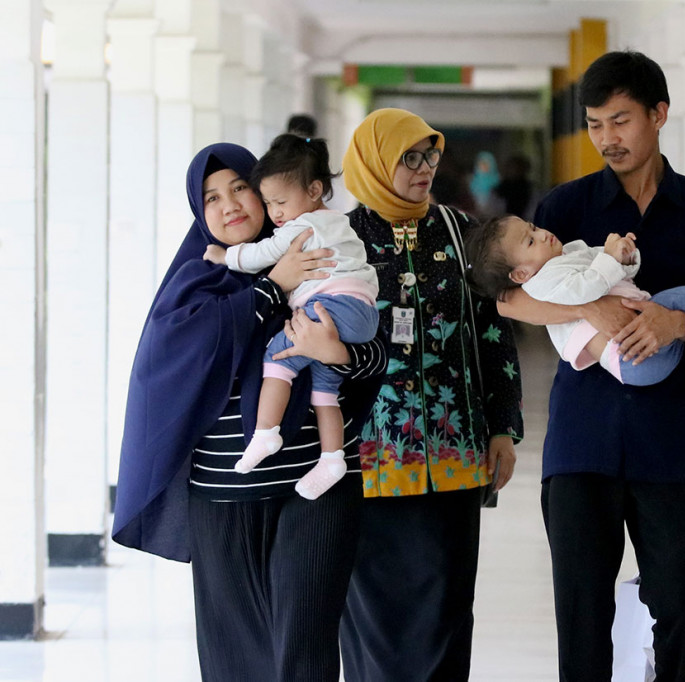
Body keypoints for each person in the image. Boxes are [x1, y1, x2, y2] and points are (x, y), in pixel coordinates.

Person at [496, 50, 685, 681]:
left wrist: (678, 322)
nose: (606, 138)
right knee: (582, 621)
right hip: (583, 442)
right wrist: (598, 306)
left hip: (671, 443)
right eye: (595, 124)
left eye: (621, 121)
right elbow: (512, 298)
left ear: (659, 115)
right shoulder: (564, 209)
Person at [112, 142, 387, 682]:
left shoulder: (314, 250)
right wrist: (270, 286)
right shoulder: (195, 280)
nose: (229, 204)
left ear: (265, 194)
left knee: (304, 654)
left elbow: (374, 345)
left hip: (314, 486)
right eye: (211, 197)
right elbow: (180, 353)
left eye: (239, 187)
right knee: (234, 659)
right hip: (222, 497)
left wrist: (339, 353)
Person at [338, 108, 524, 682]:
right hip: (367, 462)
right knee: (373, 616)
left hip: (453, 455)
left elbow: (494, 330)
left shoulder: (460, 231)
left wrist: (502, 427)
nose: (424, 169)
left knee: (445, 607)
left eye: (431, 156)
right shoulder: (340, 239)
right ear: (373, 163)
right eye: (409, 158)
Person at [203, 133, 379, 500]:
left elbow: (258, 254)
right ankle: (333, 458)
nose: (276, 214)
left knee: (279, 358)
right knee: (324, 391)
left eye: (240, 189)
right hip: (361, 309)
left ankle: (266, 431)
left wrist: (226, 257)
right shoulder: (337, 223)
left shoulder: (299, 232)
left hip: (333, 310)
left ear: (314, 190)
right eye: (212, 198)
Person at [465, 214, 685, 384]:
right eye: (530, 241)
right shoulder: (543, 283)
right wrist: (610, 260)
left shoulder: (569, 252)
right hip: (631, 358)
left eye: (534, 227)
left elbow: (615, 270)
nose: (543, 234)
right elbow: (587, 287)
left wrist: (625, 256)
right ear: (520, 275)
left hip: (647, 346)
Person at [493, 153, 537, 220]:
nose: (515, 171)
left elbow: (533, 212)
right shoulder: (498, 191)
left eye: (518, 168)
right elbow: (492, 213)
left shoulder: (531, 190)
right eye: (512, 168)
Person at [468, 150, 501, 214]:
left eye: (486, 164)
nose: (483, 167)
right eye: (481, 164)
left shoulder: (497, 181)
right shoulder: (471, 181)